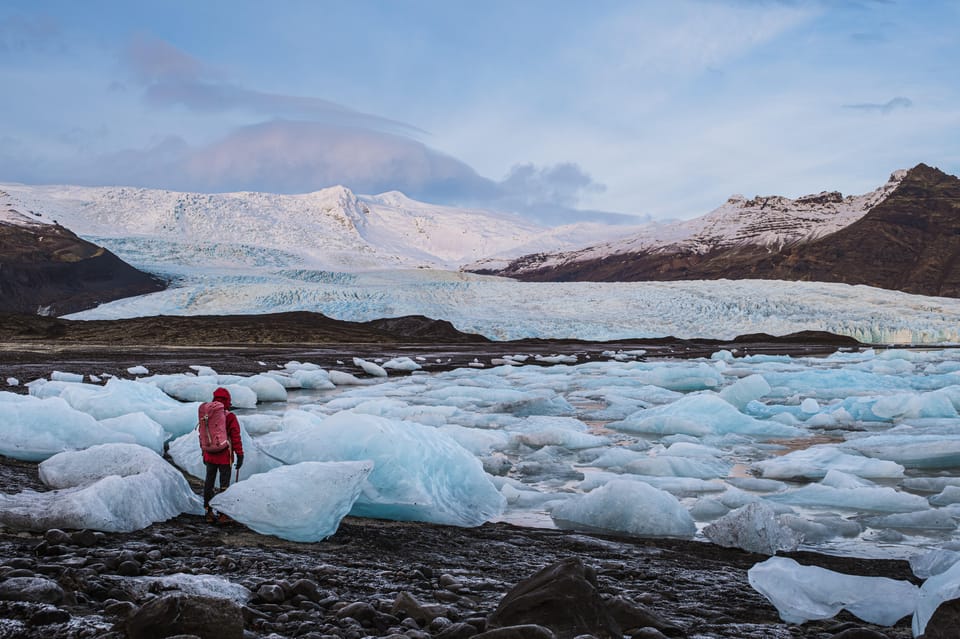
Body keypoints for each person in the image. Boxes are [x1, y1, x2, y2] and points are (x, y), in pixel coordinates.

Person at [203, 386, 244, 524]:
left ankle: (208, 512)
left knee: (209, 483)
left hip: (209, 455)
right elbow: (236, 437)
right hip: (225, 456)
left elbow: (202, 435)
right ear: (228, 401)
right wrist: (240, 454)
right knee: (224, 485)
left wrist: (204, 453)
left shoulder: (207, 414)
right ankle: (223, 514)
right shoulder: (230, 416)